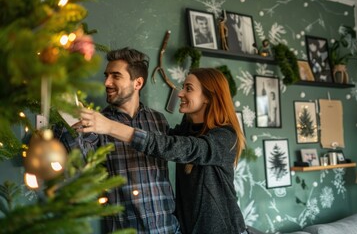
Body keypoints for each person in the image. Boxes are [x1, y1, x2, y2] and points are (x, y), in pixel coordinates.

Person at [77, 68, 249, 234]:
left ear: (208, 97)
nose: (180, 93)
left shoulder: (225, 137)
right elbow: (161, 141)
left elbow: (176, 147)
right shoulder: (186, 130)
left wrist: (110, 127)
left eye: (188, 89)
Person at [59, 47, 180, 233]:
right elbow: (78, 165)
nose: (107, 82)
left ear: (137, 83)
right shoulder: (97, 122)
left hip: (168, 228)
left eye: (116, 76)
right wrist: (68, 123)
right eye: (106, 75)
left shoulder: (158, 120)